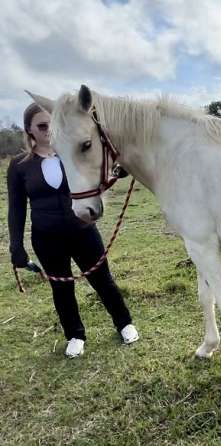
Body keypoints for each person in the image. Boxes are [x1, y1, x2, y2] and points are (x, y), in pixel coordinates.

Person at [7, 103, 139, 358]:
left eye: (51, 124)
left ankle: (124, 323)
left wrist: (118, 171)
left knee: (103, 281)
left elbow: (97, 173)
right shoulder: (19, 166)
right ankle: (75, 335)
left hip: (83, 231)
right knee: (62, 289)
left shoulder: (71, 153)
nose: (48, 130)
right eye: (42, 126)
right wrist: (16, 246)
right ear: (29, 130)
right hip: (46, 239)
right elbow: (16, 209)